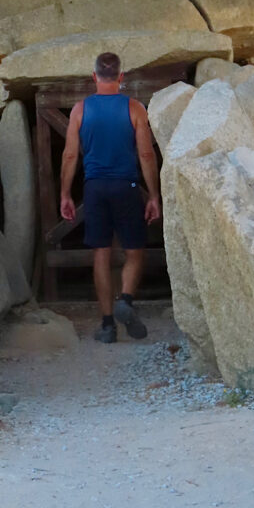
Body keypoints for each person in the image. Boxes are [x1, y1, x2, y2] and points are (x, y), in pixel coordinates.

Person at [59, 51, 161, 343]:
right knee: (134, 250)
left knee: (101, 254)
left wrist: (65, 194)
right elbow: (145, 154)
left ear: (94, 77)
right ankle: (125, 301)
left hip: (94, 188)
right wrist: (153, 195)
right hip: (126, 186)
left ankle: (106, 326)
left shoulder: (80, 110)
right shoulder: (135, 108)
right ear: (121, 77)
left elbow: (69, 155)